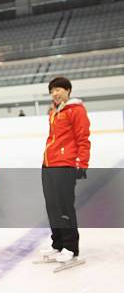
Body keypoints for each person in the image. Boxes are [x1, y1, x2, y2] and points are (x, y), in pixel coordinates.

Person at [40, 77, 90, 265]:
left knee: (64, 208)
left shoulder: (76, 110)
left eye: (59, 89)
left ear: (68, 91)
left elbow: (83, 138)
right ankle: (58, 243)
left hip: (65, 165)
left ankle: (70, 247)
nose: (55, 93)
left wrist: (81, 162)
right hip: (48, 164)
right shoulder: (54, 111)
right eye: (52, 90)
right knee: (52, 207)